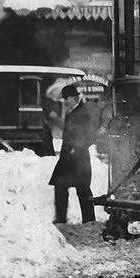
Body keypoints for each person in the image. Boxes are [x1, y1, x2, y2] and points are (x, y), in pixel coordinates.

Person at [50, 85, 96, 224]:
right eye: (63, 98)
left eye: (66, 98)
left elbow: (91, 133)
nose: (64, 101)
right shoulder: (71, 112)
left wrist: (78, 146)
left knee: (82, 189)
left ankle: (89, 221)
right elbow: (69, 132)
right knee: (60, 185)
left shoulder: (83, 112)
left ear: (75, 98)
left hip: (79, 158)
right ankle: (61, 218)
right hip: (67, 158)